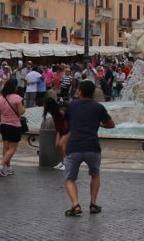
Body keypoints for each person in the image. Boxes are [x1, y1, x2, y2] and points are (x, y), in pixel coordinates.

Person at [63, 80, 114, 217]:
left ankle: (75, 204)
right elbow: (111, 124)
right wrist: (100, 125)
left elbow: (66, 125)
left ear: (79, 91)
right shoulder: (98, 107)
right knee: (95, 175)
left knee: (70, 178)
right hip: (92, 147)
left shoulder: (71, 106)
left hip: (74, 146)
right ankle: (92, 203)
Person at [0, 79, 25, 176]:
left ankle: (7, 168)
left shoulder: (0, 98)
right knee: (12, 148)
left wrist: (2, 120)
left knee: (6, 147)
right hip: (14, 125)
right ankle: (1, 166)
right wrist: (24, 109)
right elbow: (21, 112)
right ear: (14, 86)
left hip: (4, 125)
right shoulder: (17, 98)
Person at [42, 97, 70, 171]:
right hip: (60, 130)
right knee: (57, 146)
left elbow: (69, 118)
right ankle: (63, 162)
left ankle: (67, 164)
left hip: (68, 130)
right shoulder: (52, 110)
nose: (44, 106)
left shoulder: (60, 110)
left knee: (61, 144)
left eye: (45, 104)